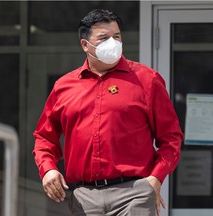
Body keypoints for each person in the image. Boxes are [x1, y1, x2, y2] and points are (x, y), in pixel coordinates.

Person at [33, 9, 183, 216]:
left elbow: (171, 137)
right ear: (85, 45)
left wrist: (155, 179)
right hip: (85, 197)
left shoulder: (147, 80)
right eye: (104, 38)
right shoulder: (64, 86)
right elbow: (44, 136)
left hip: (134, 193)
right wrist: (48, 169)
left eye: (117, 36)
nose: (112, 42)